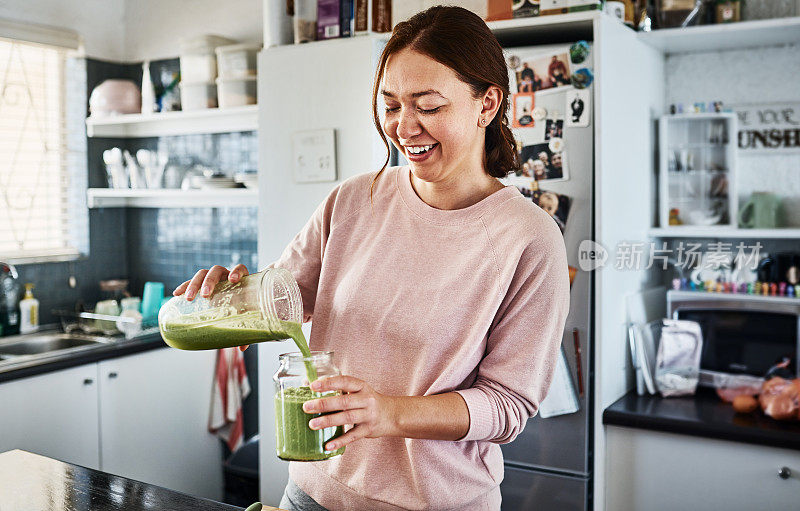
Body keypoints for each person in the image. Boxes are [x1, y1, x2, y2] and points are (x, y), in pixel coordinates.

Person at [174, 6, 569, 511]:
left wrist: (388, 414)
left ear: (486, 103)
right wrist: (227, 299)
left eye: (427, 106)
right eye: (390, 106)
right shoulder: (354, 201)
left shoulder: (528, 238)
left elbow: (508, 406)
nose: (404, 128)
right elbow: (282, 303)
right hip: (313, 493)